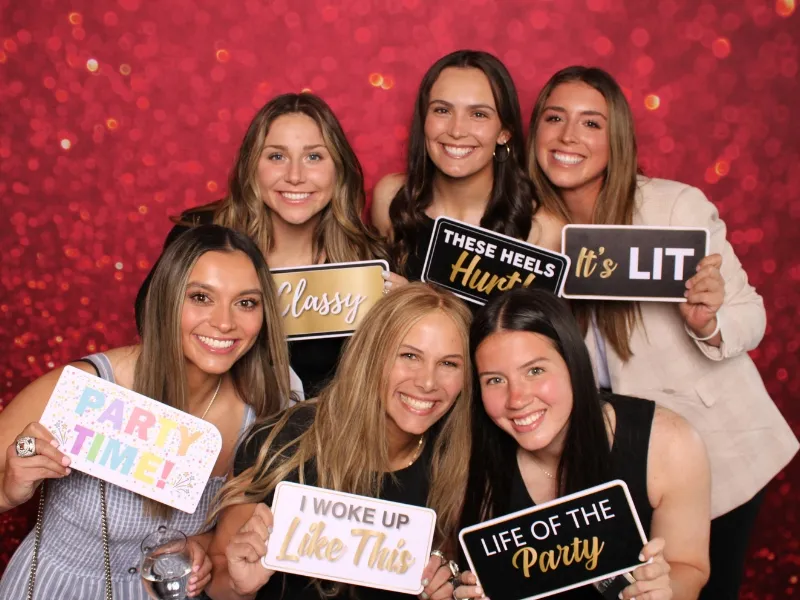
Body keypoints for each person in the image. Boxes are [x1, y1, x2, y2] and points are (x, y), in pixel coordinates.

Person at [526, 65, 798, 598]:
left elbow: (752, 316)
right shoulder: (527, 228)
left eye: (591, 124)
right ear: (534, 130)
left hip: (714, 447)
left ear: (618, 139)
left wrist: (710, 321)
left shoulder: (673, 207)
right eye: (555, 118)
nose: (568, 137)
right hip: (611, 464)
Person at [0, 225, 293, 599]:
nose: (224, 322)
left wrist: (206, 552)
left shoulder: (259, 418)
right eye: (201, 297)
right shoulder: (91, 385)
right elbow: (13, 462)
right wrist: (10, 489)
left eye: (246, 303)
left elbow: (227, 571)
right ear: (166, 300)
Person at [205, 283, 473, 600]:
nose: (428, 382)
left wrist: (447, 590)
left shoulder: (461, 464)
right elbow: (218, 576)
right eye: (409, 355)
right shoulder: (285, 444)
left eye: (449, 364)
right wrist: (239, 586)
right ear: (371, 356)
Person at [455, 288, 711, 600]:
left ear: (573, 364)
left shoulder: (668, 443)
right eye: (495, 380)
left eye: (535, 371)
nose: (517, 399)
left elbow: (690, 565)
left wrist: (663, 591)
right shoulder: (466, 456)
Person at [136, 92, 389, 398]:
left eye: (313, 157)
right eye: (276, 156)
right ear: (252, 166)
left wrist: (401, 314)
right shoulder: (197, 238)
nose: (295, 176)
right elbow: (153, 330)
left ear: (338, 170)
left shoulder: (369, 265)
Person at [370, 49, 563, 292]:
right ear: (424, 120)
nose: (457, 130)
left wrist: (415, 303)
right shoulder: (391, 198)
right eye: (442, 110)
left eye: (478, 114)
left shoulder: (542, 229)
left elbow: (537, 328)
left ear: (504, 133)